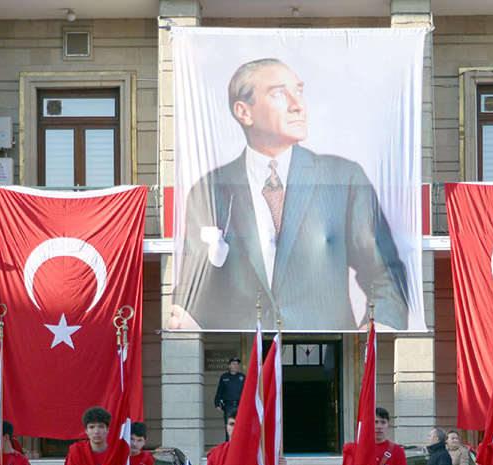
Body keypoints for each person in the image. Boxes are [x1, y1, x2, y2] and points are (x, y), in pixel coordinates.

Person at [170, 58, 411, 331]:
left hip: (327, 351)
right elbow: (194, 281)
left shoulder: (344, 179)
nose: (298, 105)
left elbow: (385, 274)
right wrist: (183, 317)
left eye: (299, 91)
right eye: (278, 93)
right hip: (245, 349)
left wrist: (376, 330)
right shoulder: (210, 189)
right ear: (244, 112)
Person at [214, 358, 246, 438]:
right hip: (229, 406)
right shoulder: (224, 377)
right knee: (229, 428)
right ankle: (229, 445)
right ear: (229, 366)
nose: (235, 366)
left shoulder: (242, 377)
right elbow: (220, 390)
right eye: (233, 364)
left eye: (237, 364)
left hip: (240, 406)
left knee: (241, 428)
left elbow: (247, 391)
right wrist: (217, 403)